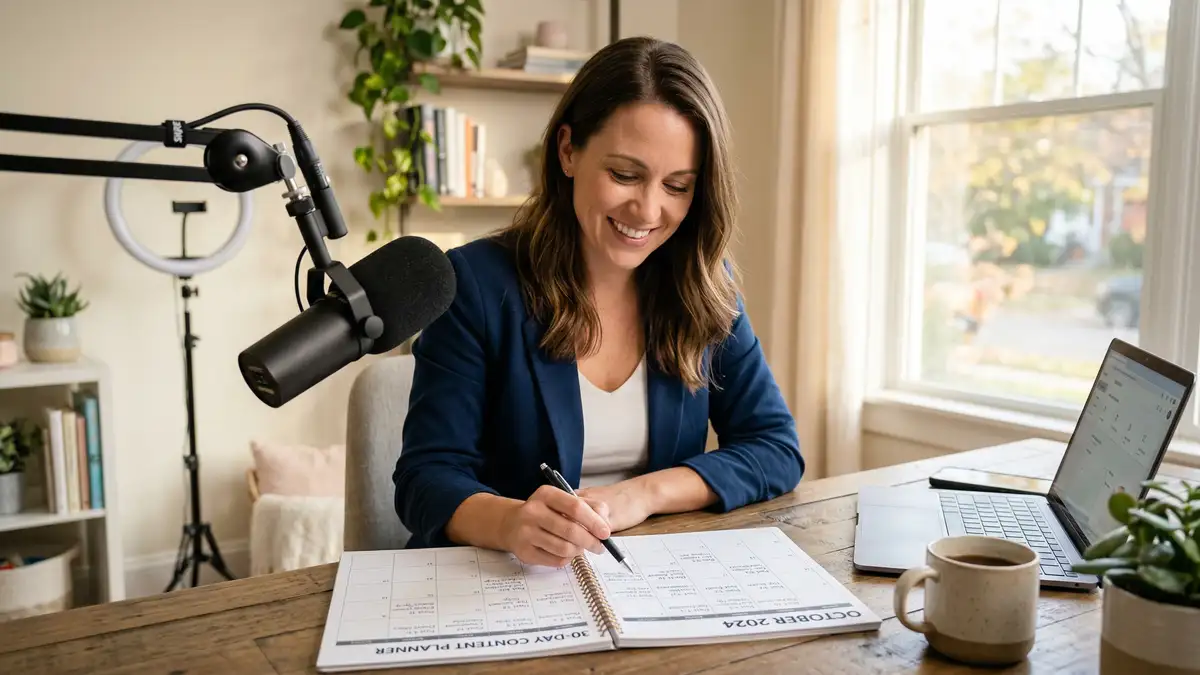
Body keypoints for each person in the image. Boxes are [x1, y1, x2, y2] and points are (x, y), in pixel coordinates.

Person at [393, 36, 802, 567]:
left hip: (647, 577)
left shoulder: (704, 285)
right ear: (568, 150)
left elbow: (775, 447)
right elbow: (424, 478)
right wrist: (511, 522)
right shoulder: (474, 283)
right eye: (625, 175)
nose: (648, 209)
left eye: (677, 186)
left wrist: (643, 494)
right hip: (498, 578)